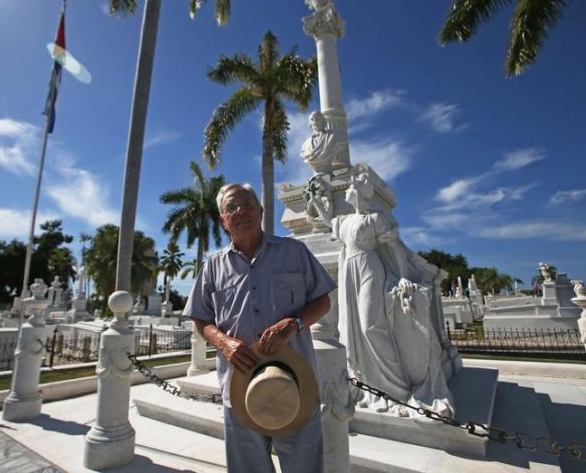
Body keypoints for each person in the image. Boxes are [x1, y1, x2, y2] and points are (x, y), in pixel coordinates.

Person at [184, 182, 336, 473]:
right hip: (239, 389)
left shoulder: (295, 252)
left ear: (261, 211)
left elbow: (322, 302)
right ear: (223, 221)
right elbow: (201, 319)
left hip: (295, 386)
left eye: (247, 204)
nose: (241, 211)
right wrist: (223, 342)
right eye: (231, 208)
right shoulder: (213, 267)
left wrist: (294, 324)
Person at [309, 172, 454, 418]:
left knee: (370, 326)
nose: (349, 189)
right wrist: (315, 199)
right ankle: (367, 381)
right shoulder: (344, 221)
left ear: (362, 193)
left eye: (354, 186)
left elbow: (395, 250)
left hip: (369, 268)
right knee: (352, 329)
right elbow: (327, 220)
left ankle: (394, 387)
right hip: (349, 273)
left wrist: (404, 276)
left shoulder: (376, 219)